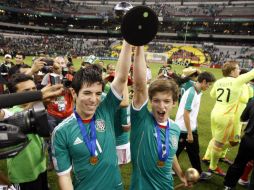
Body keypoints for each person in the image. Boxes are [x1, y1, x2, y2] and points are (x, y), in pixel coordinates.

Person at [51, 40, 132, 190]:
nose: (94, 100)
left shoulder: (105, 109)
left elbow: (121, 77)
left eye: (98, 94)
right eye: (87, 93)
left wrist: (128, 40)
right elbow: (64, 175)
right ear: (74, 93)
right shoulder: (62, 132)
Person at [130, 46, 188, 189]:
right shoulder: (142, 120)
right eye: (156, 100)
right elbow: (139, 86)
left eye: (167, 101)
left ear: (174, 103)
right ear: (150, 101)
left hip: (166, 185)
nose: (161, 106)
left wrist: (180, 174)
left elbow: (170, 152)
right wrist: (139, 46)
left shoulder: (174, 128)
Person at [4, 73, 63, 190]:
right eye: (27, 91)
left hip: (40, 166)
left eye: (34, 89)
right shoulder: (9, 113)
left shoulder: (37, 107)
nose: (32, 94)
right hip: (23, 175)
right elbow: (19, 117)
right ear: (13, 95)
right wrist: (37, 98)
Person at [203, 61, 254, 176]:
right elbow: (252, 74)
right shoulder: (237, 82)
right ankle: (213, 167)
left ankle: (213, 157)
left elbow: (212, 95)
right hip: (226, 117)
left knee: (220, 141)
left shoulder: (219, 82)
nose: (239, 70)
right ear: (232, 71)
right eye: (237, 68)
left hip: (215, 113)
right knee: (219, 143)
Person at [175, 72, 215, 180]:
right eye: (208, 84)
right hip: (184, 128)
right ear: (204, 81)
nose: (209, 87)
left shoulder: (197, 90)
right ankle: (198, 173)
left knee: (187, 151)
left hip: (188, 127)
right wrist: (189, 133)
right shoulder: (192, 93)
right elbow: (186, 113)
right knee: (179, 152)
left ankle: (198, 172)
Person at [224, 98, 254, 190]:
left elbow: (243, 117)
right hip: (249, 138)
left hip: (248, 139)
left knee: (238, 164)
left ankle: (228, 185)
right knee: (239, 164)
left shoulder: (253, 100)